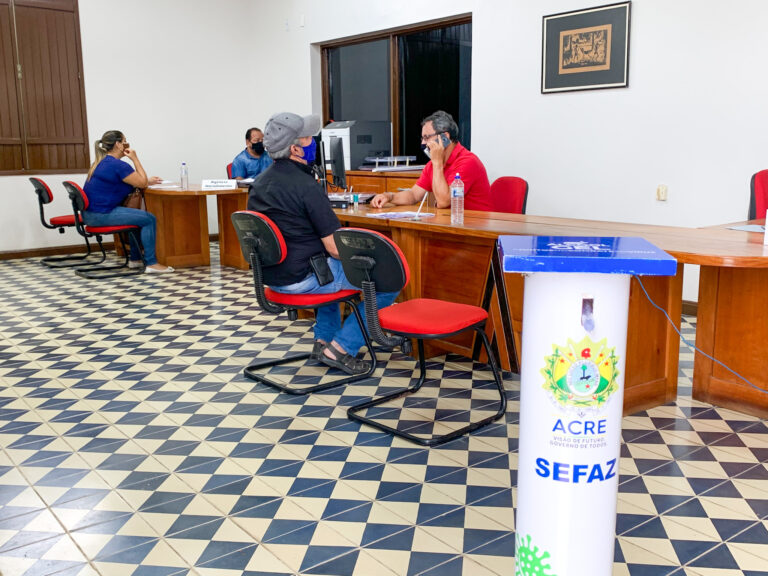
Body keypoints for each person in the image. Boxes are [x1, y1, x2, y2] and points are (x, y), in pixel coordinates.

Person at [247, 112, 399, 375]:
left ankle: (323, 341)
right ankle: (341, 348)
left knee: (329, 269)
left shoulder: (259, 183)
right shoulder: (306, 186)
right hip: (303, 279)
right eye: (308, 138)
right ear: (295, 149)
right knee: (388, 280)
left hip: (272, 278)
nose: (313, 142)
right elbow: (335, 248)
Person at [83, 130, 173, 273]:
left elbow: (127, 182)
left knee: (137, 217)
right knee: (149, 219)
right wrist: (135, 159)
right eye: (124, 141)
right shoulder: (118, 165)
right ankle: (151, 263)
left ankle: (135, 260)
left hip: (90, 214)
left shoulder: (102, 162)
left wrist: (147, 181)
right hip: (101, 215)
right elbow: (142, 183)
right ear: (118, 144)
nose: (127, 143)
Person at [370, 110, 492, 211]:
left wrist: (437, 163)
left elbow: (443, 202)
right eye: (422, 138)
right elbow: (413, 195)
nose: (423, 143)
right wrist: (389, 196)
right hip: (449, 224)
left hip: (474, 226)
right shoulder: (433, 164)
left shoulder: (468, 162)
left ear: (445, 137)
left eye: (427, 137)